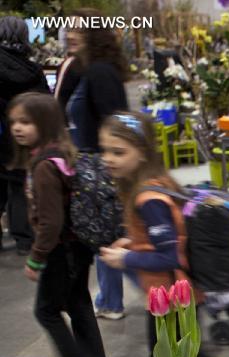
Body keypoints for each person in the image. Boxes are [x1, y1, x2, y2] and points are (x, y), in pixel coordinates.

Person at [97, 112, 221, 357]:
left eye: (118, 152)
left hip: (174, 298)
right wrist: (133, 243)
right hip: (169, 295)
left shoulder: (150, 199)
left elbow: (169, 256)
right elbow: (164, 240)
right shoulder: (155, 185)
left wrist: (127, 258)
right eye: (105, 151)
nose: (108, 159)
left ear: (142, 153)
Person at [9, 92, 105, 357]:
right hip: (77, 246)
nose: (17, 128)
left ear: (46, 123)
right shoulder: (61, 155)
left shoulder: (44, 167)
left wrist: (36, 258)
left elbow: (51, 222)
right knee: (79, 306)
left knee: (46, 311)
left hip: (60, 250)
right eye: (14, 121)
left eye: (26, 122)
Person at [65, 8, 129, 321]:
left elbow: (116, 120)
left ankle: (112, 300)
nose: (69, 33)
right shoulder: (89, 69)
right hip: (95, 166)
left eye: (77, 28)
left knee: (106, 235)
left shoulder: (99, 72)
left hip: (100, 168)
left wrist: (116, 164)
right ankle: (108, 299)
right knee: (108, 234)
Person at [0, 16, 49, 255]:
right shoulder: (33, 69)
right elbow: (45, 102)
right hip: (21, 137)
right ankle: (23, 240)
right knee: (19, 186)